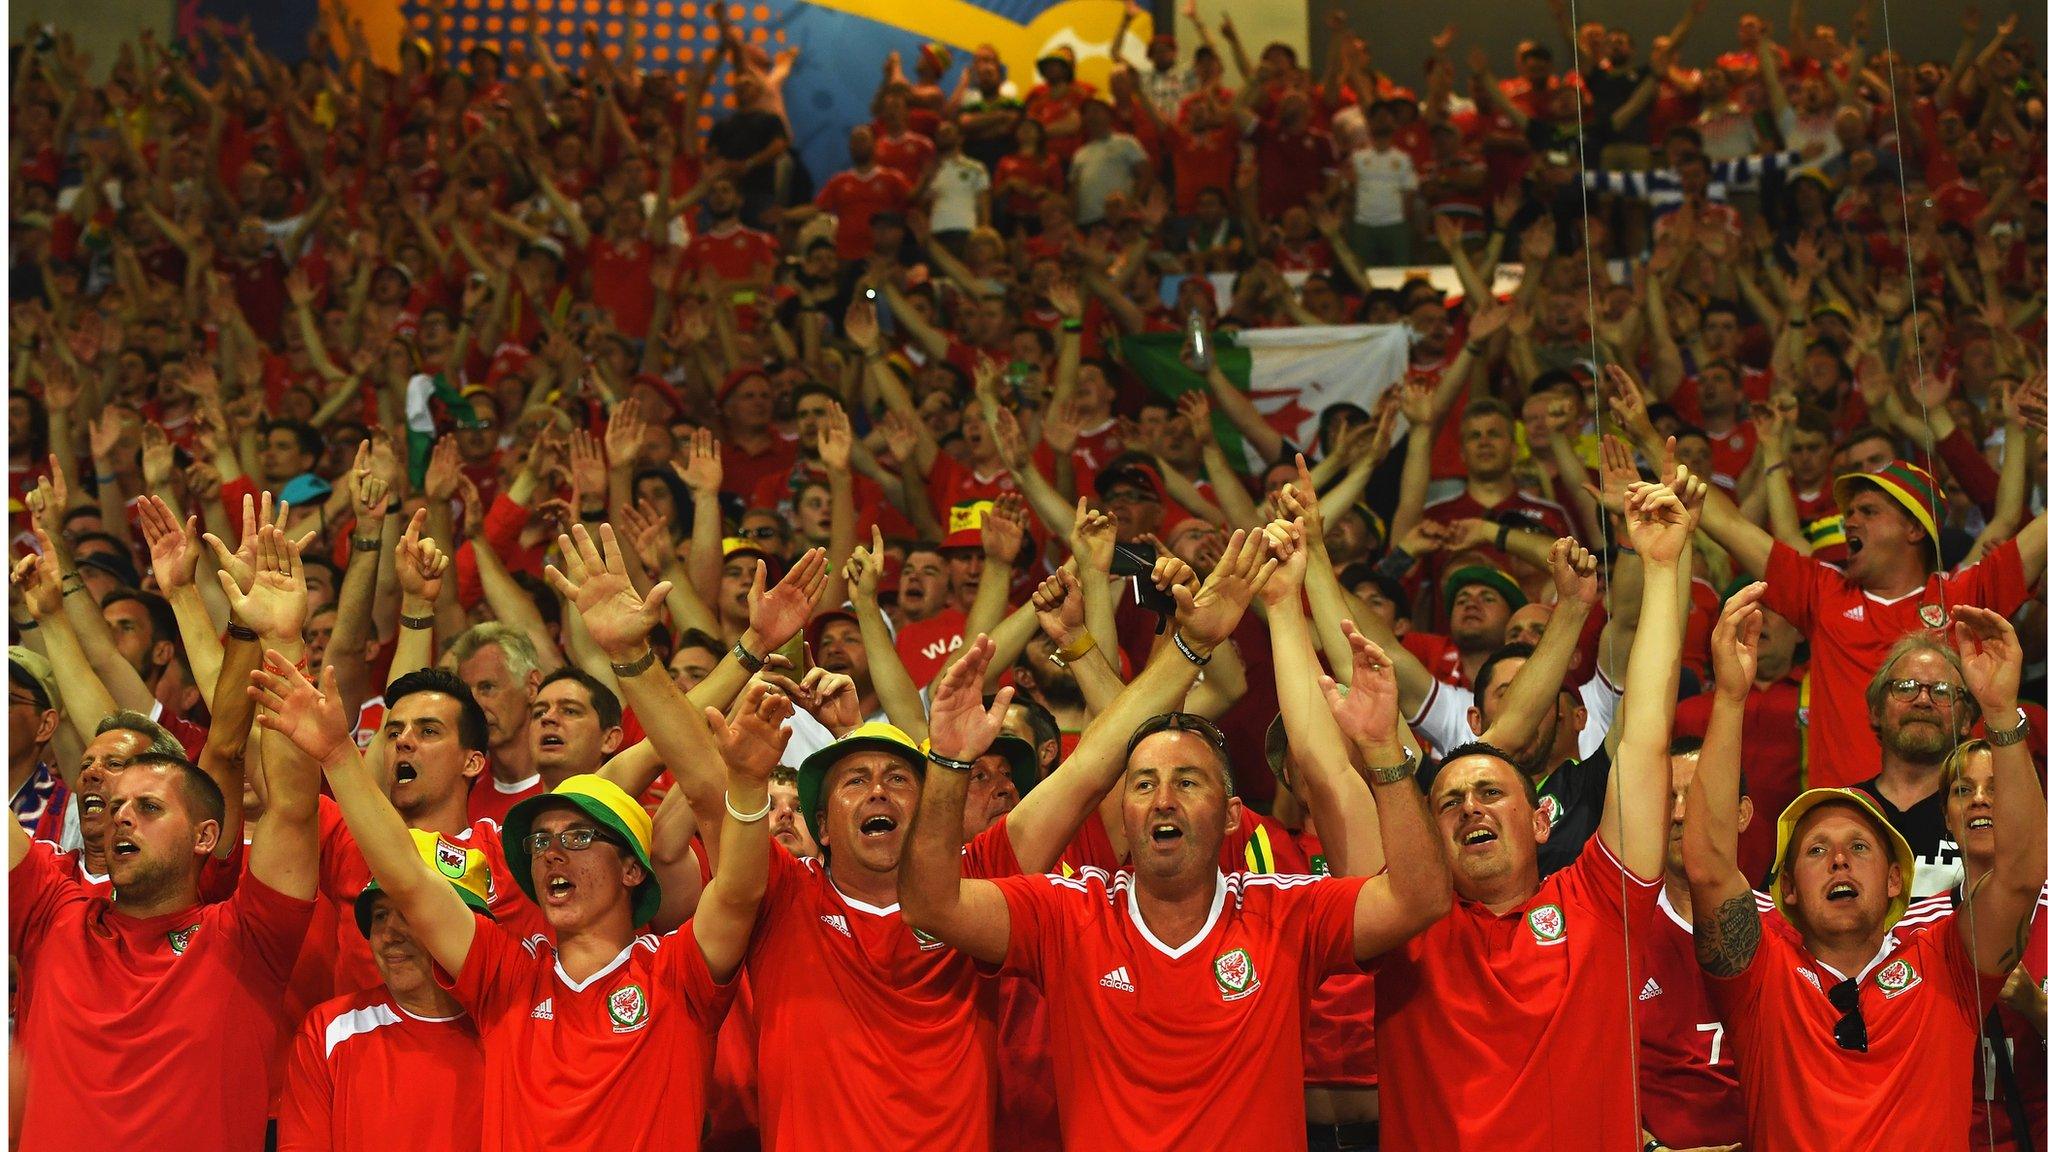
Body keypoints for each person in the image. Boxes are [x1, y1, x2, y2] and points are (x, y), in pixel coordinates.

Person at [903, 521, 1451, 1151]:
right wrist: (946, 763)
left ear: (1231, 815)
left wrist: (1382, 748)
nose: (1163, 798)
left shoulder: (1284, 911)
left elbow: (1420, 898)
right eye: (1141, 784)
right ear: (1122, 814)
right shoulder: (1066, 912)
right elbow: (932, 904)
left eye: (1188, 782)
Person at [251, 639, 783, 1148]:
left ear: (630, 870)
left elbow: (738, 890)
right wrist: (339, 755)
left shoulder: (678, 973)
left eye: (577, 838)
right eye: (541, 840)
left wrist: (749, 782)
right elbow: (410, 883)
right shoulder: (507, 979)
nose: (553, 853)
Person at [1373, 471, 1701, 1152]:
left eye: (1491, 792)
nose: (1470, 809)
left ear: (1542, 818)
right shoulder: (1403, 927)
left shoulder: (1597, 904)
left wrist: (1665, 569)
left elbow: (1643, 735)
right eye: (1450, 802)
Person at [1683, 600, 2045, 1149]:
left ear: (1898, 879)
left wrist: (2000, 715)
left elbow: (2020, 874)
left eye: (1859, 846)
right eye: (1815, 850)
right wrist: (1731, 698)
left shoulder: (1946, 963)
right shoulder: (1760, 975)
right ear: (1786, 891)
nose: (1839, 860)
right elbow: (1708, 864)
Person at [9, 529, 319, 1152]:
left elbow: (290, 805)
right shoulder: (50, 912)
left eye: (148, 806)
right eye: (116, 805)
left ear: (208, 835)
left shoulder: (248, 938)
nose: (121, 816)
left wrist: (281, 638)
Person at [1696, 454, 2044, 788]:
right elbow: (1730, 525)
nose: (1849, 521)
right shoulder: (1822, 594)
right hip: (1842, 827)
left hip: (1939, 825)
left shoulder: (1961, 601)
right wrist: (1649, 440)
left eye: (1868, 511)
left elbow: (2037, 537)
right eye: (1849, 513)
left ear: (1913, 528)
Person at [278, 830, 489, 1152]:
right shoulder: (328, 1031)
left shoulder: (511, 1028)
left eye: (409, 912)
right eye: (380, 915)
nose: (389, 935)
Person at [1920, 738, 2048, 1151]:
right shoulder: (1912, 930)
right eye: (1963, 789)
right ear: (1946, 816)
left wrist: (2037, 1006)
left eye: (1996, 788)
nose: (1979, 800)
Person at [1853, 633, 1980, 897]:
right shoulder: (1836, 813)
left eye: (1943, 691)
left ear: (1967, 719)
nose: (1923, 701)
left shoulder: (1985, 816)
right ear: (1876, 711)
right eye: (1905, 687)